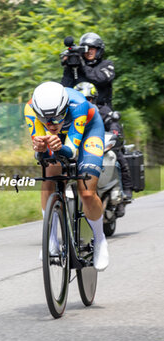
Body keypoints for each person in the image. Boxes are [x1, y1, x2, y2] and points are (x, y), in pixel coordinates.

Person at [24, 81, 109, 271]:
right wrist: (40, 149)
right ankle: (51, 239)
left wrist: (59, 146)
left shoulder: (79, 104)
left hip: (88, 131)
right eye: (45, 120)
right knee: (49, 178)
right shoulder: (30, 109)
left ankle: (100, 238)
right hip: (58, 140)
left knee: (87, 191)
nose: (51, 123)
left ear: (64, 108)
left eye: (56, 117)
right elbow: (43, 153)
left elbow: (70, 151)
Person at [61, 32, 133, 209]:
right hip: (80, 112)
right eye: (86, 49)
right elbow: (64, 88)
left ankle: (127, 189)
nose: (89, 52)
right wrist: (69, 67)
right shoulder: (76, 67)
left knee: (116, 146)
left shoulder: (107, 65)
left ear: (99, 50)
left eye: (93, 49)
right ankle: (62, 189)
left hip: (103, 111)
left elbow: (99, 79)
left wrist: (82, 64)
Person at [74, 81, 133, 217]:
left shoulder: (104, 111)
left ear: (93, 99)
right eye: (82, 99)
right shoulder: (73, 113)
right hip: (81, 149)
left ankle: (125, 190)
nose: (85, 101)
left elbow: (114, 125)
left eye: (88, 98)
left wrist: (114, 134)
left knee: (118, 158)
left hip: (105, 146)